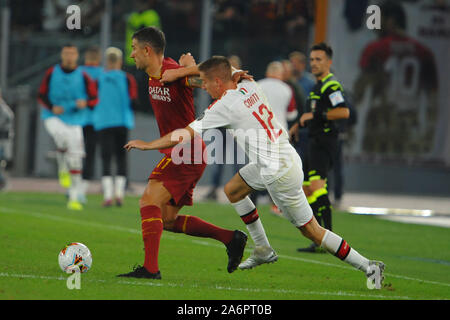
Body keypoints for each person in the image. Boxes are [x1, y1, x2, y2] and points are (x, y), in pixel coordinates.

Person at [125, 56, 385, 289]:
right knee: (233, 190)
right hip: (279, 157)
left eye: (205, 82)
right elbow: (228, 65)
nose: (202, 87)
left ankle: (369, 266)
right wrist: (185, 70)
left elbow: (183, 134)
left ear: (218, 81)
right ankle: (262, 248)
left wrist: (149, 145)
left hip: (279, 173)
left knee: (312, 232)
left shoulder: (223, 106)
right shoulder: (248, 84)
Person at [117, 27, 247, 280]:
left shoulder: (173, 73)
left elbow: (216, 77)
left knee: (148, 202)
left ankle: (150, 270)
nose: (131, 55)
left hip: (186, 151)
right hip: (186, 153)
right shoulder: (159, 74)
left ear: (147, 50)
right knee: (166, 219)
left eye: (134, 48)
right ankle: (231, 239)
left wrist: (189, 69)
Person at [289, 43, 349, 253]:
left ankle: (328, 239)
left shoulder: (331, 86)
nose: (314, 63)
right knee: (307, 189)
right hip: (313, 141)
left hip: (325, 141)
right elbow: (311, 114)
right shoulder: (317, 86)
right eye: (312, 59)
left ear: (329, 62)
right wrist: (298, 124)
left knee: (316, 187)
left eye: (319, 59)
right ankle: (318, 239)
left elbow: (343, 112)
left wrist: (315, 116)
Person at [37, 44, 98, 211]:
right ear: (62, 55)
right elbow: (41, 94)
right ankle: (62, 168)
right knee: (62, 137)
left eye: (72, 54)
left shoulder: (83, 76)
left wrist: (85, 103)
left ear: (77, 56)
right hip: (53, 117)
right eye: (66, 53)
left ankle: (74, 197)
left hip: (75, 120)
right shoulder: (52, 72)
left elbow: (94, 98)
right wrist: (51, 107)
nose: (69, 57)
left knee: (76, 161)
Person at [93, 47, 138, 207]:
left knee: (105, 157)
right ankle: (119, 194)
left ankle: (107, 195)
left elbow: (92, 100)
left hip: (103, 122)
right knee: (121, 157)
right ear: (119, 61)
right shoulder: (127, 79)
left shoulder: (98, 79)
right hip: (122, 122)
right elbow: (133, 101)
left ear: (106, 60)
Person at [79, 46, 103, 203]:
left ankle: (73, 186)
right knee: (91, 153)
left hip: (77, 119)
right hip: (97, 120)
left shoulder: (78, 72)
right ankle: (82, 189)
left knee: (74, 153)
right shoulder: (103, 74)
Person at [0, 89, 14, 191]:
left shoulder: (4, 110)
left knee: (3, 162)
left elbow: (5, 125)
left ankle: (3, 182)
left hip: (3, 140)